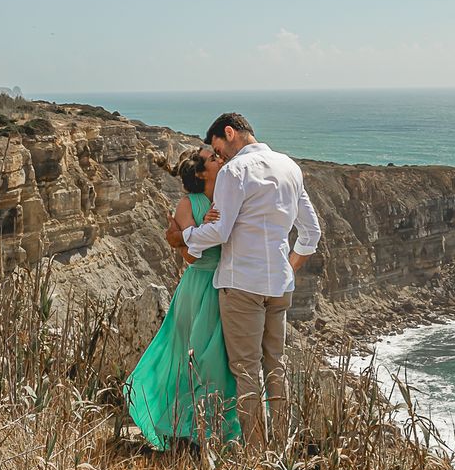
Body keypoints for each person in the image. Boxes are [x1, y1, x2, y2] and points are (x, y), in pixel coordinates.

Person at [165, 113, 320, 446]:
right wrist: (289, 267)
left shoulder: (235, 172)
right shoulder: (290, 167)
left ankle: (256, 452)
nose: (219, 156)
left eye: (218, 147)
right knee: (275, 364)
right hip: (280, 285)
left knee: (247, 371)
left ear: (230, 133)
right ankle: (283, 445)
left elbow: (221, 231)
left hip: (241, 286)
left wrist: (185, 235)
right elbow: (312, 231)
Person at [125, 149, 241, 448]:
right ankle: (191, 428)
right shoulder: (189, 203)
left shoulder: (230, 195)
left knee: (225, 360)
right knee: (199, 358)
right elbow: (188, 254)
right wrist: (205, 229)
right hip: (200, 285)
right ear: (201, 173)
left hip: (230, 284)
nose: (221, 159)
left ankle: (226, 430)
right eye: (214, 159)